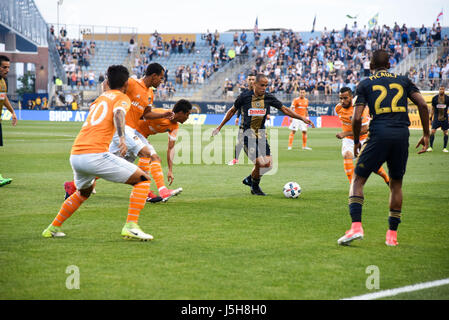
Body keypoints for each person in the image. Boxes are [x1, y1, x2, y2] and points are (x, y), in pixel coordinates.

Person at [42, 65, 154, 241]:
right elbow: (118, 113)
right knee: (143, 180)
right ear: (126, 84)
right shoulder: (122, 98)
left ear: (108, 82)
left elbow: (106, 93)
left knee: (83, 193)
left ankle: (52, 228)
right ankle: (131, 225)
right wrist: (123, 138)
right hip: (95, 155)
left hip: (76, 155)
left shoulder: (100, 98)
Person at [337, 49, 430, 247]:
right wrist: (426, 134)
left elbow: (356, 117)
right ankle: (392, 236)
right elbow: (423, 105)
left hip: (378, 134)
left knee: (357, 179)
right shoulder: (403, 80)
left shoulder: (365, 83)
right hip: (401, 135)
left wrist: (355, 143)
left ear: (370, 66)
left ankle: (356, 227)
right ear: (389, 65)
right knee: (396, 185)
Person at [64, 63, 175, 202]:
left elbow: (146, 115)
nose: (162, 81)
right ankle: (145, 190)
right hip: (122, 128)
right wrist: (106, 99)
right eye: (161, 77)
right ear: (153, 76)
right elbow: (107, 82)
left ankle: (72, 185)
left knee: (112, 163)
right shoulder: (133, 83)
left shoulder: (150, 94)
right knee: (146, 153)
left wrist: (163, 115)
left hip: (131, 131)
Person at [212, 74, 315, 196]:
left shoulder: (268, 97)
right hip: (246, 135)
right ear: (254, 84)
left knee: (268, 165)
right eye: (262, 85)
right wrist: (220, 126)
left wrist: (302, 118)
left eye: (266, 85)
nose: (264, 88)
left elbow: (285, 109)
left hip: (261, 134)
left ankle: (250, 179)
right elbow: (231, 111)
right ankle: (255, 187)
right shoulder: (244, 97)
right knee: (260, 163)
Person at [134, 100, 192, 202]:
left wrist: (170, 170)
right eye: (187, 114)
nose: (188, 118)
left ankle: (95, 177)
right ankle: (161, 191)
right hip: (132, 132)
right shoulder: (161, 113)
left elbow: (170, 147)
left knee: (117, 161)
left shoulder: (174, 126)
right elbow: (138, 116)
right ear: (180, 113)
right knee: (153, 158)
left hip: (141, 137)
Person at [335, 87, 390, 184]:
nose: (342, 101)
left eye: (345, 98)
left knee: (371, 164)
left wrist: (345, 133)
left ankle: (387, 179)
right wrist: (347, 134)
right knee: (347, 155)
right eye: (340, 98)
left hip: (364, 139)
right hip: (349, 140)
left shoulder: (360, 109)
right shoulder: (338, 108)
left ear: (351, 97)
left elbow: (364, 130)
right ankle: (353, 186)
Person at [227, 73, 256, 166]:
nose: (251, 81)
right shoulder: (243, 94)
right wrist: (237, 117)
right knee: (240, 142)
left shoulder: (259, 93)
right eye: (250, 79)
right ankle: (235, 159)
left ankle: (258, 160)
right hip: (245, 124)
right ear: (247, 81)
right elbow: (239, 107)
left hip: (257, 124)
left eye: (253, 79)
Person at [0, 55, 18, 187]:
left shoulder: (3, 82)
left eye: (8, 67)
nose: (7, 70)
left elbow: (3, 97)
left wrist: (12, 111)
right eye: (4, 67)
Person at [427, 86, 449, 152]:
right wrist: (431, 117)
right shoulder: (435, 98)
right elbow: (433, 108)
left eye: (442, 89)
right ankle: (430, 147)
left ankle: (444, 148)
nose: (441, 90)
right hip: (436, 118)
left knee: (446, 133)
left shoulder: (447, 98)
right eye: (440, 89)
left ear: (444, 90)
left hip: (445, 118)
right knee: (432, 132)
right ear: (438, 90)